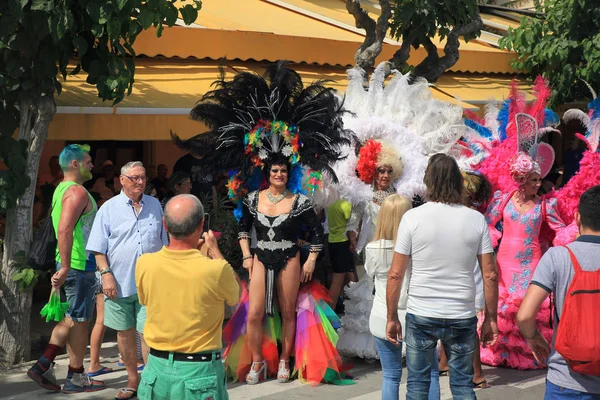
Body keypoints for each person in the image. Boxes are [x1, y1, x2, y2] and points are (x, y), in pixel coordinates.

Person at [187, 64, 353, 386]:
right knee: (253, 313)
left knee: (288, 311)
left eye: (283, 171)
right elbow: (243, 229)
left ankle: (286, 360)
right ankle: (259, 363)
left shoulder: (300, 202)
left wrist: (312, 259)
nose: (278, 174)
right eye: (274, 171)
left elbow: (316, 233)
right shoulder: (252, 199)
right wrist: (247, 255)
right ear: (267, 173)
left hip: (290, 257)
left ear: (288, 174)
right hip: (261, 258)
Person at [386, 154, 499, 400]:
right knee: (462, 386)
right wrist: (491, 318)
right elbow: (489, 275)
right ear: (458, 182)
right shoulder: (476, 219)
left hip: (422, 312)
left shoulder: (412, 218)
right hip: (461, 313)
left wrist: (392, 316)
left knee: (417, 385)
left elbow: (395, 273)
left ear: (428, 181)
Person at [136, 194, 240, 400]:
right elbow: (237, 295)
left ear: (164, 225)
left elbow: (146, 301)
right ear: (201, 224)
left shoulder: (145, 263)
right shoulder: (216, 270)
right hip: (199, 372)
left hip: (156, 369)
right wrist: (215, 252)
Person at [27, 144, 106, 393]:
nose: (92, 165)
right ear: (75, 164)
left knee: (76, 319)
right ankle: (60, 370)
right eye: (88, 161)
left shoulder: (61, 188)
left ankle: (64, 371)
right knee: (78, 320)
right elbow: (64, 229)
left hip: (72, 264)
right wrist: (67, 265)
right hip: (78, 265)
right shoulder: (77, 192)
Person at [87, 161, 168, 400]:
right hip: (118, 283)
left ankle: (152, 380)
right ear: (122, 180)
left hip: (150, 284)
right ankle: (133, 379)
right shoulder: (108, 209)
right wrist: (106, 274)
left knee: (149, 333)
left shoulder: (154, 205)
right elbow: (98, 249)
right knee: (124, 333)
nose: (140, 182)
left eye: (143, 177)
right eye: (134, 178)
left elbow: (163, 242)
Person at [481, 150, 569, 370]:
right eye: (533, 180)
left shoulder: (545, 205)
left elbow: (560, 230)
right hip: (504, 263)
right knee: (503, 306)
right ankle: (499, 350)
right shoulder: (504, 199)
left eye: (539, 180)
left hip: (531, 264)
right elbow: (486, 224)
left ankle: (531, 351)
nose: (538, 184)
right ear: (520, 180)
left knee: (527, 305)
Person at [517, 185, 600, 399]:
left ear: (577, 218)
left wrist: (534, 337)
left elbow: (525, 315)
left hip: (565, 380)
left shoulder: (557, 256)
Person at [365, 194, 441, 400]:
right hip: (418, 315)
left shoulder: (373, 249)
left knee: (390, 376)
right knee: (431, 373)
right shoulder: (420, 248)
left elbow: (370, 274)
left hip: (383, 315)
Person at [326, 199, 355, 311]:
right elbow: (352, 223)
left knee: (340, 277)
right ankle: (329, 314)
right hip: (343, 242)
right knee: (338, 280)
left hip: (332, 241)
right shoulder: (346, 204)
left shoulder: (330, 202)